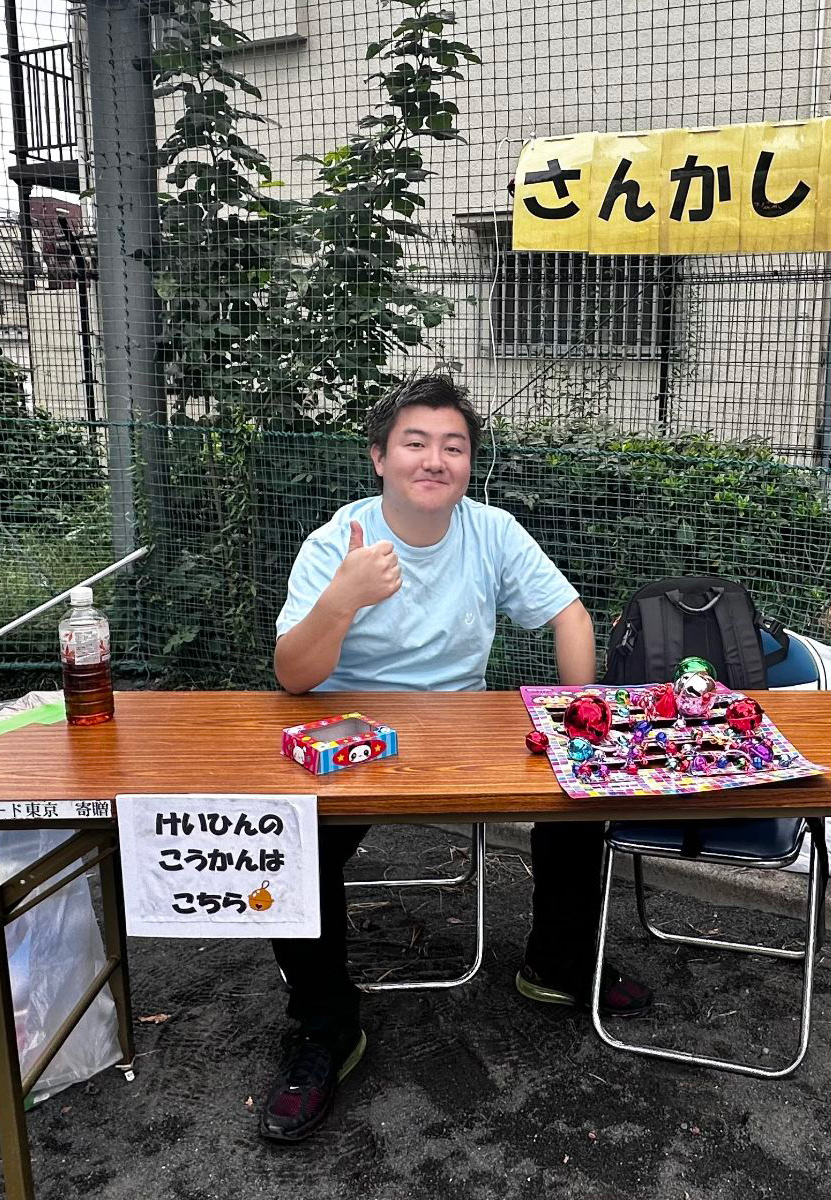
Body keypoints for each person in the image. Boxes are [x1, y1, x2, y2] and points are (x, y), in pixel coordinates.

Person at [263, 374, 651, 1143]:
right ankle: (325, 1026)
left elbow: (569, 614)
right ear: (379, 457)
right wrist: (342, 598)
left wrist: (579, 716)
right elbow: (292, 678)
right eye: (415, 443)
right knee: (291, 836)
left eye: (454, 446)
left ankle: (558, 966)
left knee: (582, 796)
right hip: (349, 728)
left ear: (470, 462)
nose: (435, 459)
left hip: (464, 729)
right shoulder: (338, 543)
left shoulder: (491, 530)